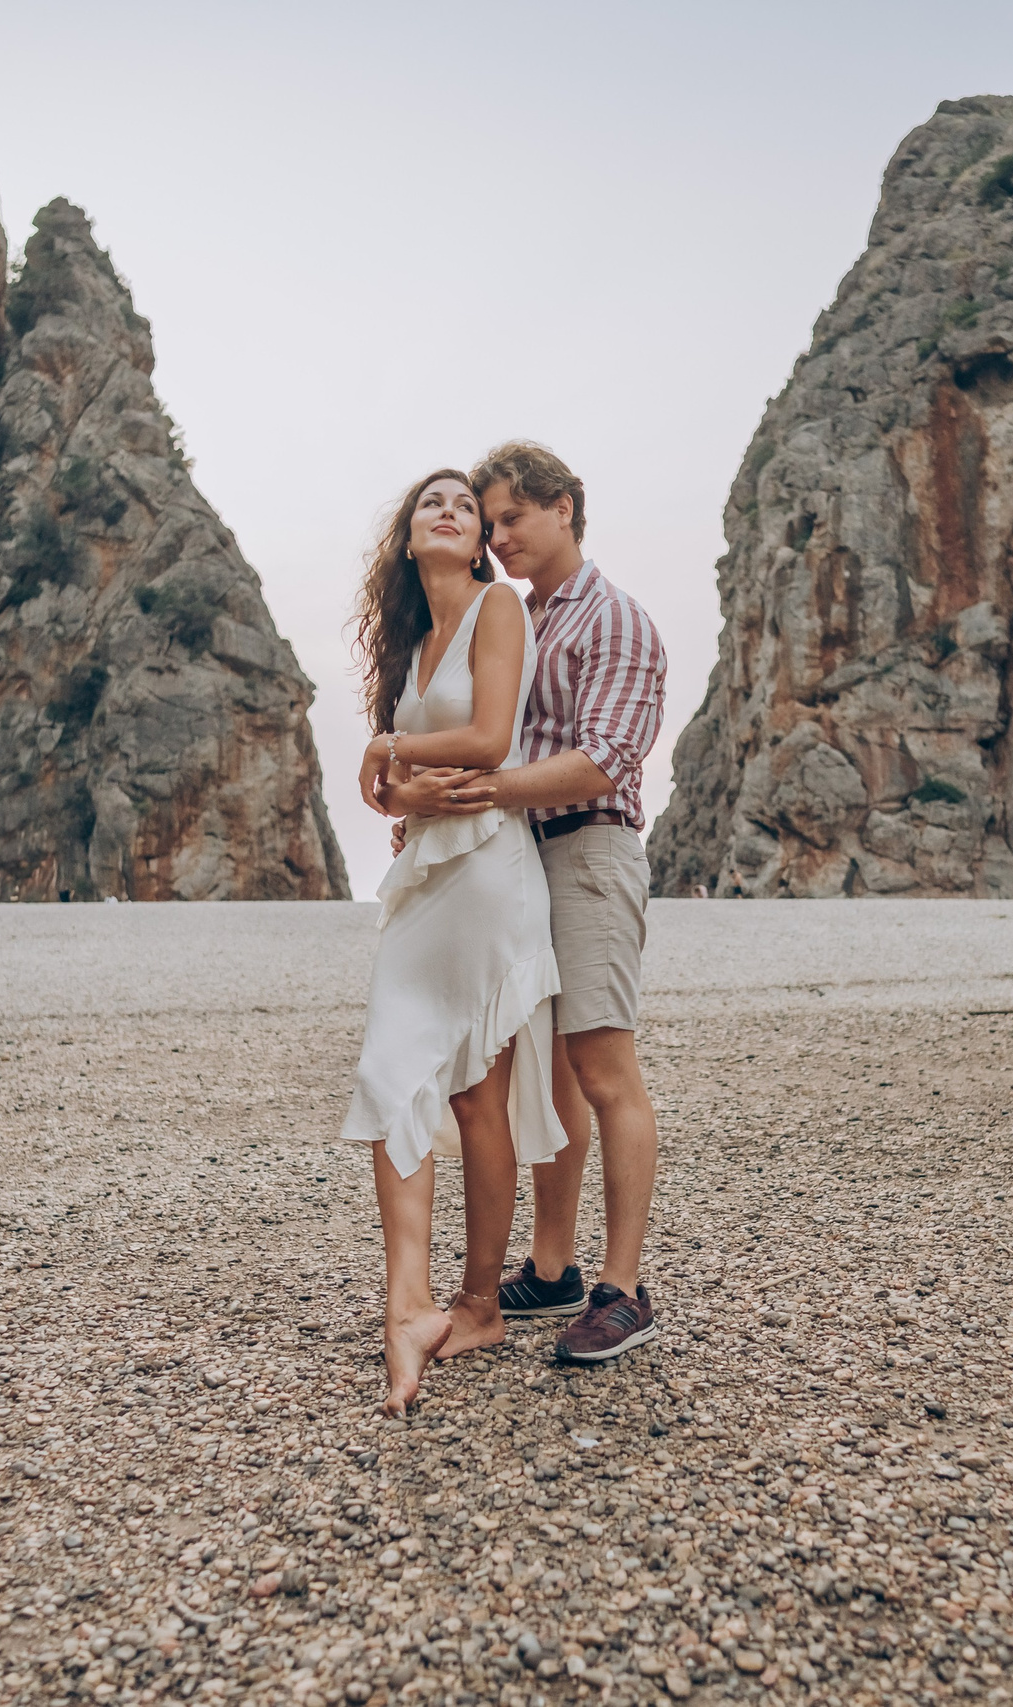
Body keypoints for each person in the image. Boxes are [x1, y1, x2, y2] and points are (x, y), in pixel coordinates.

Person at [383, 441, 666, 1364]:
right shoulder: (517, 617)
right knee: (544, 1075)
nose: (498, 536)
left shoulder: (613, 620)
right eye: (489, 521)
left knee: (602, 1063)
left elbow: (599, 761)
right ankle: (549, 1269)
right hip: (515, 860)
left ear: (565, 509)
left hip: (586, 848)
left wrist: (483, 792)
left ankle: (621, 1288)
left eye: (511, 518)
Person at [339, 469, 564, 1415]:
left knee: (478, 1096)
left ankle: (480, 1304)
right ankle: (408, 1304)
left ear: (476, 543)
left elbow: (487, 736)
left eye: (464, 507)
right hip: (427, 869)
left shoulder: (496, 608)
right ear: (409, 537)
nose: (449, 510)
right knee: (394, 1070)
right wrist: (394, 785)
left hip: (487, 871)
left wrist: (387, 754)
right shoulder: (412, 644)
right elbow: (390, 795)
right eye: (432, 502)